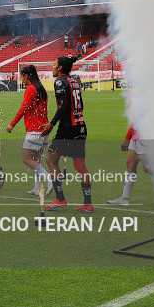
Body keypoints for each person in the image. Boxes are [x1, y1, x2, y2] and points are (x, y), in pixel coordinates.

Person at [41, 55, 92, 212]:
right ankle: (88, 203)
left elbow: (63, 106)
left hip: (67, 128)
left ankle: (60, 198)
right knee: (79, 165)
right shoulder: (74, 80)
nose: (52, 67)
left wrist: (51, 124)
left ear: (60, 67)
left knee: (51, 160)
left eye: (54, 65)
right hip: (80, 126)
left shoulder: (60, 82)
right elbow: (80, 104)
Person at [6, 65, 51, 196]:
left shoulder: (30, 89)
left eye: (22, 77)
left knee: (26, 159)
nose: (21, 79)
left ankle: (50, 179)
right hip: (44, 129)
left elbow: (23, 108)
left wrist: (11, 124)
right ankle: (37, 188)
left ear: (26, 76)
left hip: (34, 130)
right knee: (36, 160)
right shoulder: (41, 89)